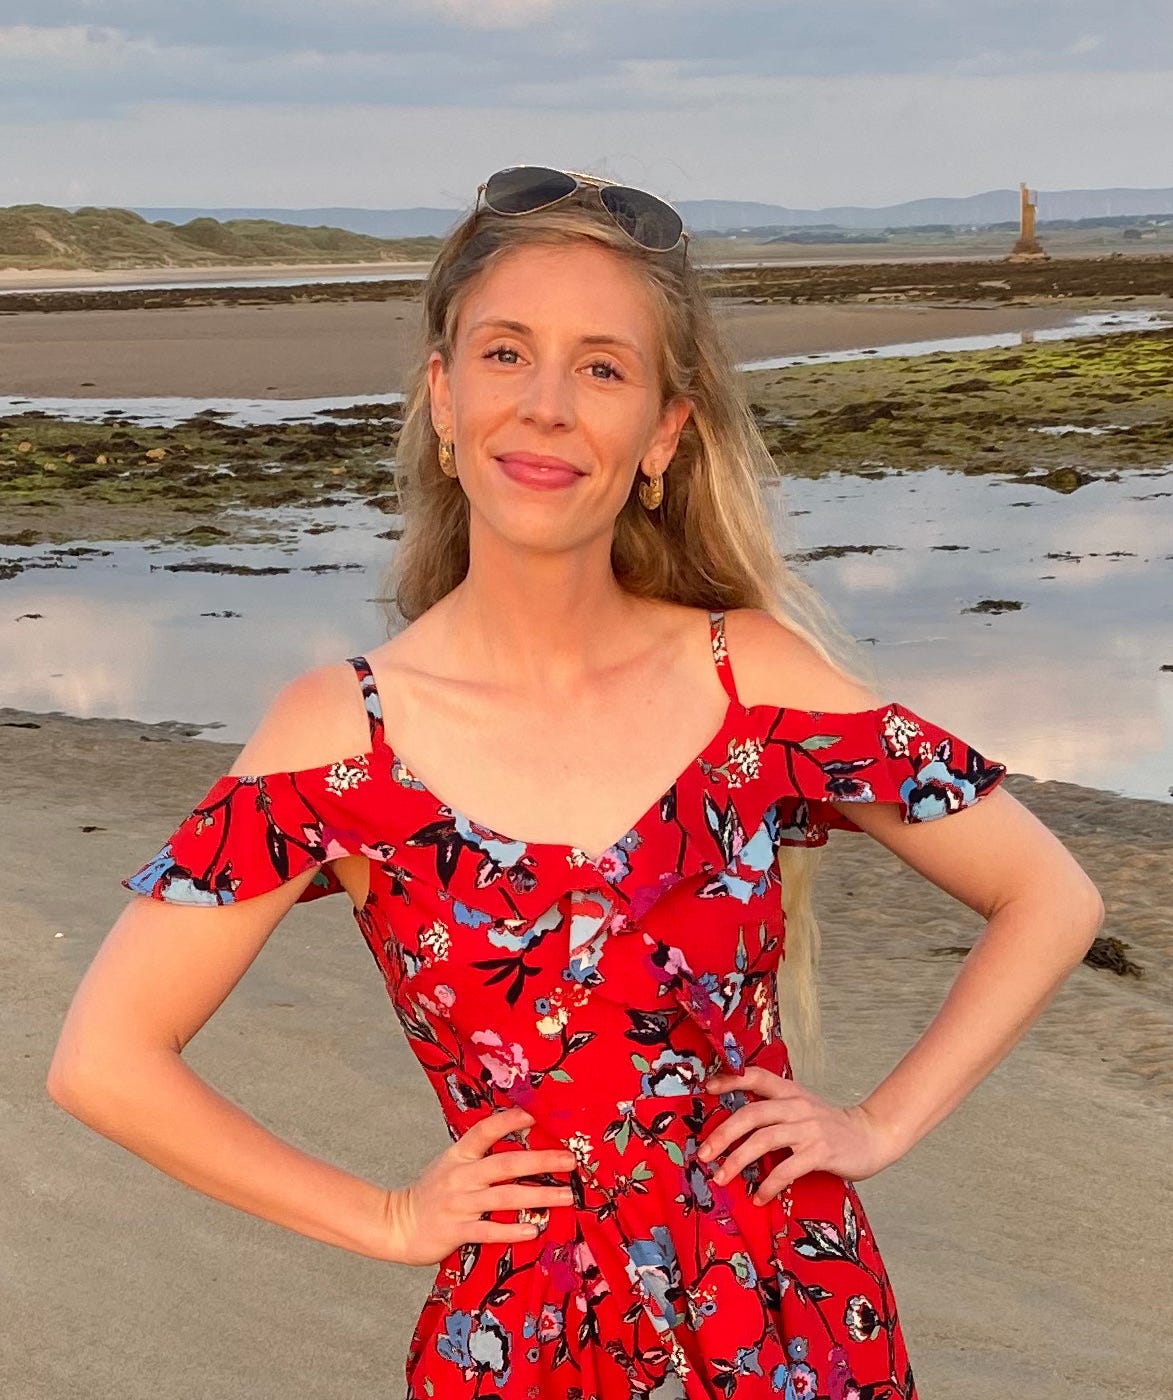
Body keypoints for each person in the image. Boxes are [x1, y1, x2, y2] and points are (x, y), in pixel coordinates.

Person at [48, 165, 1104, 1400]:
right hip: (524, 1346)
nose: (546, 405)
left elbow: (1052, 894)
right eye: (506, 353)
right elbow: (104, 1059)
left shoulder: (750, 681)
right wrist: (388, 1216)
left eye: (602, 367)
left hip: (794, 1317)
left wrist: (876, 1123)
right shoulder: (344, 737)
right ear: (444, 398)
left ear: (664, 427)